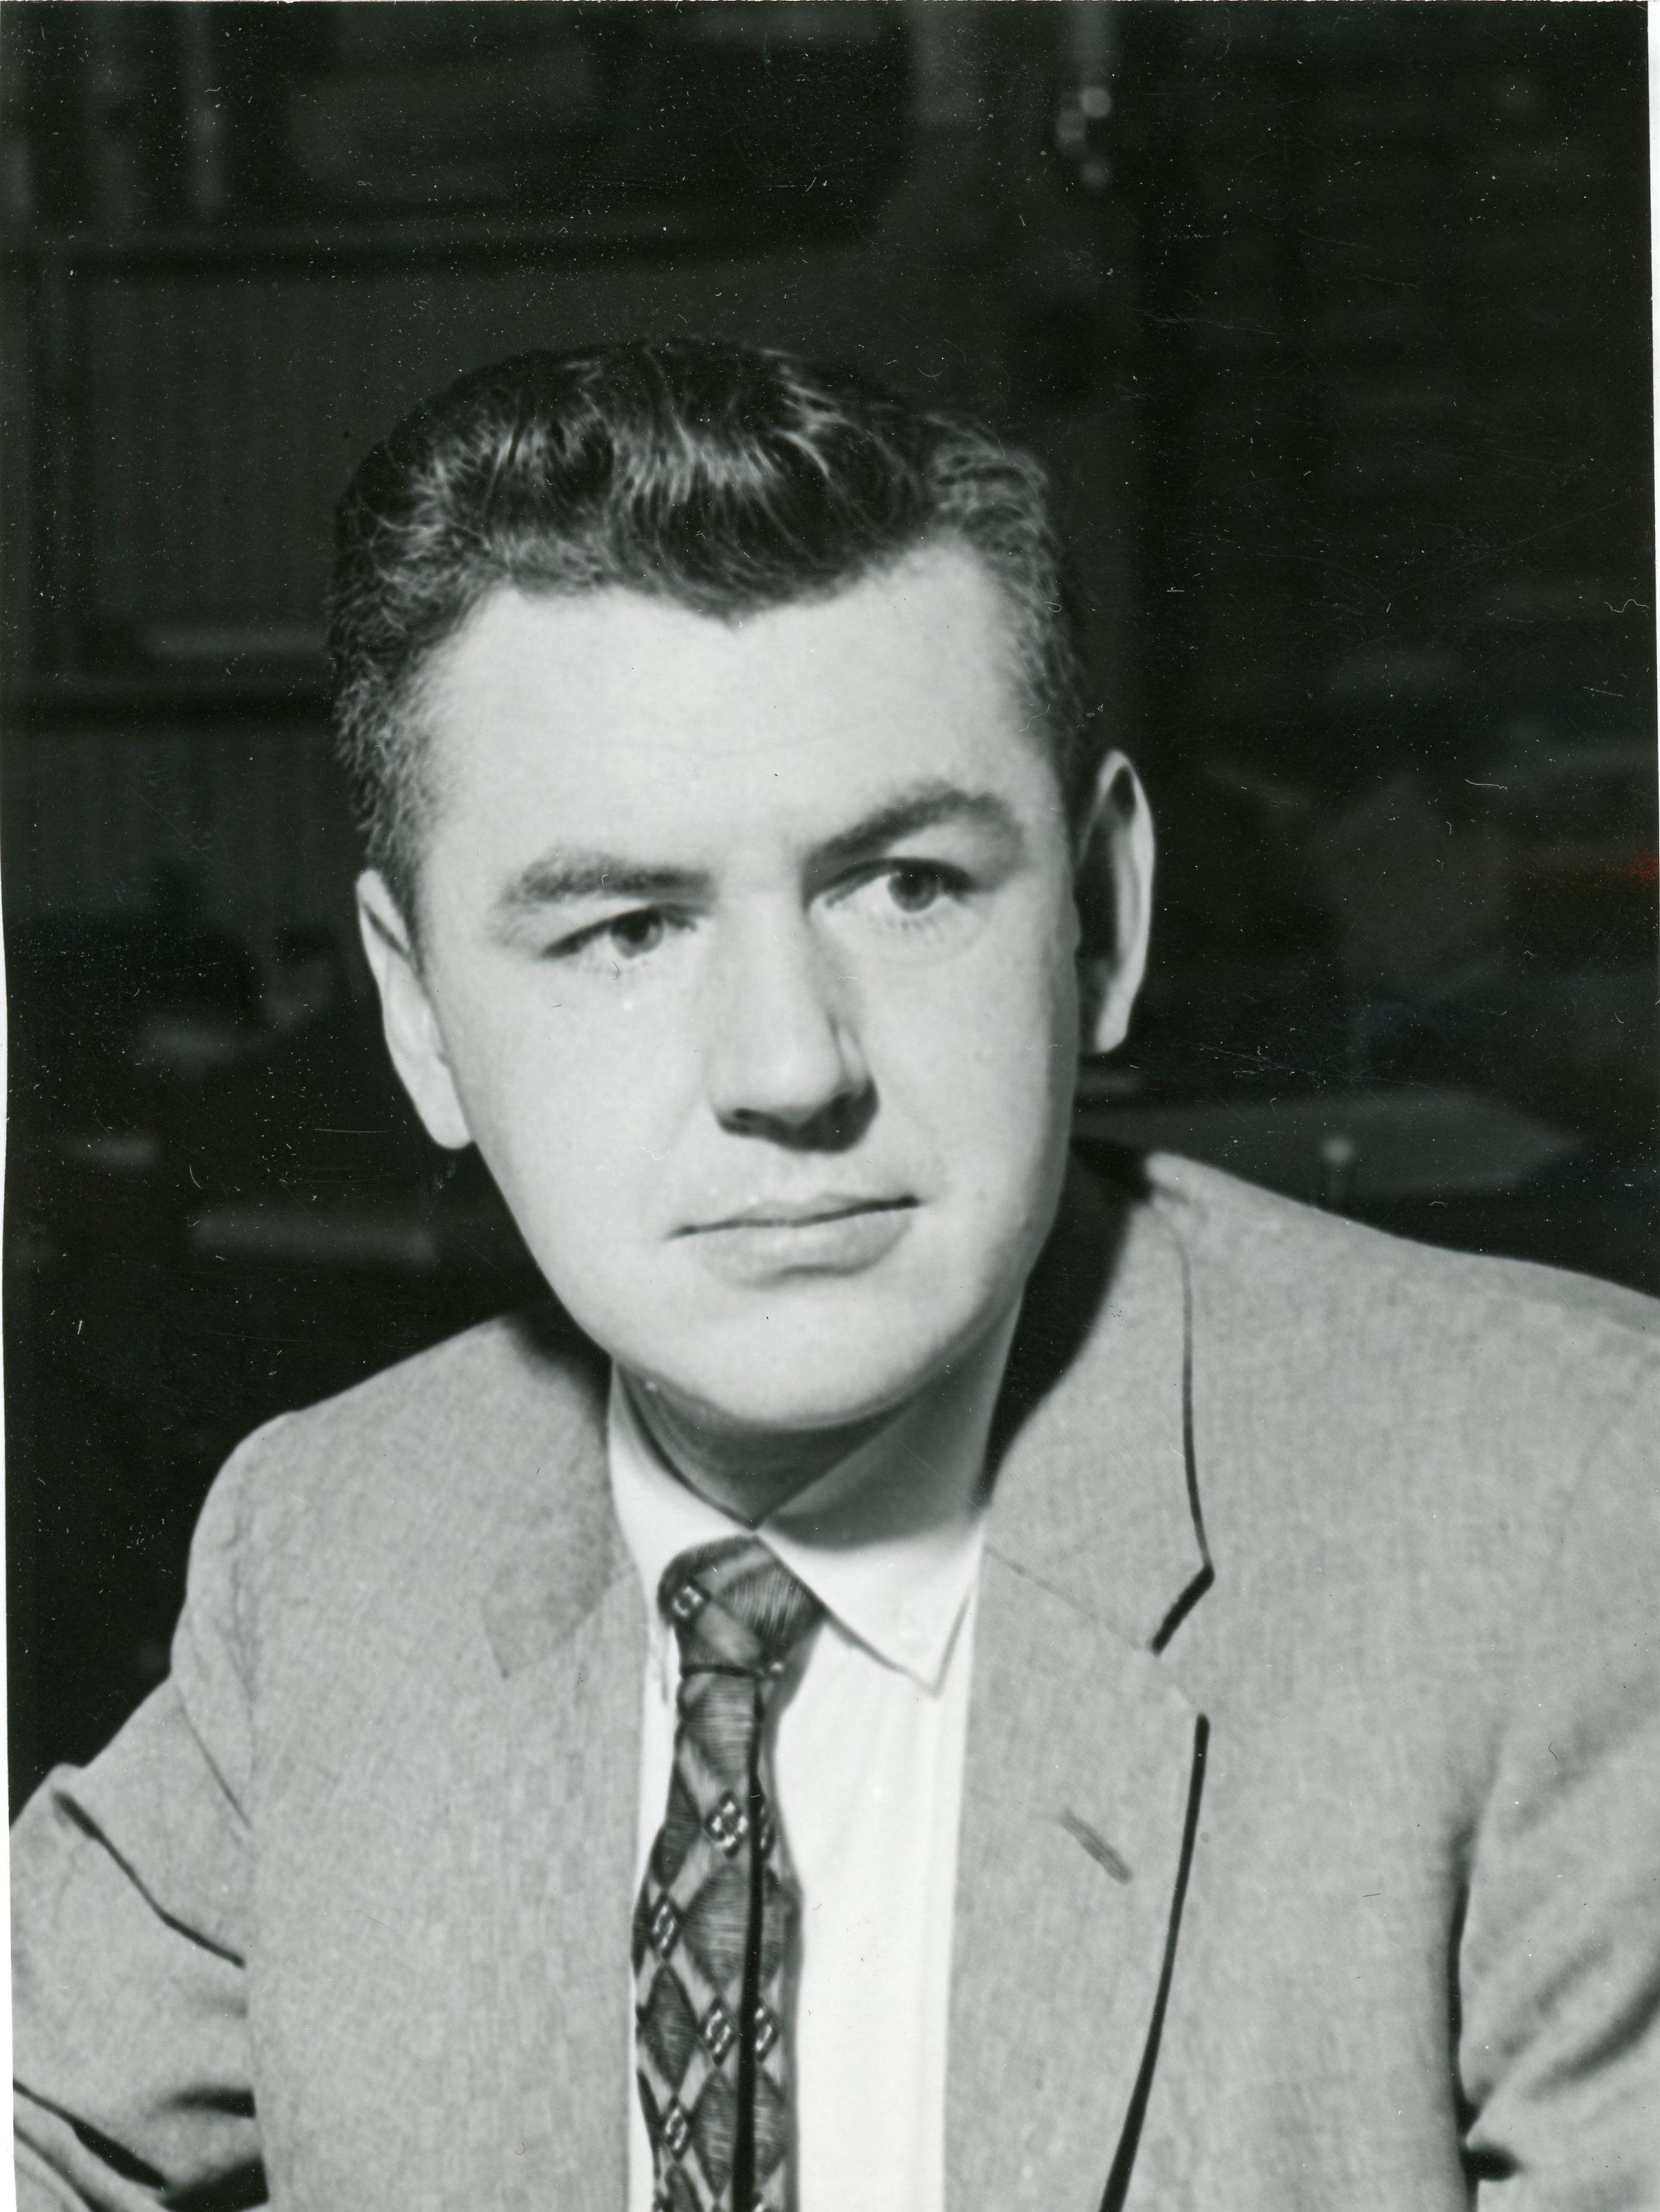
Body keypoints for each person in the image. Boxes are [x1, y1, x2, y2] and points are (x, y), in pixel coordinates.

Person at [11, 339, 1658, 2212]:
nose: (789, 1068)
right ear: (417, 1017)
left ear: (1100, 917)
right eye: (624, 928)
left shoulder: (1563, 1524)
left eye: (906, 886)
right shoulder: (330, 1549)